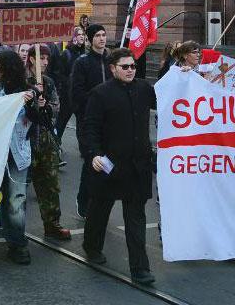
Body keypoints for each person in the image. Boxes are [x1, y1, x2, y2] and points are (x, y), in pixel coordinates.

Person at [81, 47, 156, 286]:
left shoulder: (144, 89)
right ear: (113, 68)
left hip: (138, 166)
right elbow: (89, 128)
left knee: (136, 217)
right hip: (109, 166)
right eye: (125, 66)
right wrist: (94, 154)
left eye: (133, 66)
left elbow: (170, 96)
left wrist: (184, 75)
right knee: (100, 210)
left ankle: (140, 268)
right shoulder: (100, 94)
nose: (130, 70)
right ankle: (92, 247)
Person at [0, 50, 40, 264]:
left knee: (16, 201)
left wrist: (34, 103)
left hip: (17, 154)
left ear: (10, 68)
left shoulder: (27, 92)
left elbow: (40, 120)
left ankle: (17, 243)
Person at [24, 44, 71, 241]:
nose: (45, 62)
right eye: (41, 58)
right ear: (32, 59)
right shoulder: (21, 81)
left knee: (50, 184)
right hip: (25, 141)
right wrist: (31, 100)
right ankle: (9, 223)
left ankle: (52, 224)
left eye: (47, 59)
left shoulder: (48, 82)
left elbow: (56, 107)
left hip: (45, 139)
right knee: (19, 186)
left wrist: (45, 107)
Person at [69, 24, 111, 218]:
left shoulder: (112, 61)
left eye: (104, 35)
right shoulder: (82, 62)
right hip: (88, 122)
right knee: (90, 161)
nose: (102, 39)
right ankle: (83, 199)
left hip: (109, 122)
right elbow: (76, 93)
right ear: (90, 39)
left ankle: (100, 200)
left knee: (106, 162)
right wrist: (95, 104)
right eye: (98, 35)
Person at [56, 27, 87, 139]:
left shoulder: (84, 54)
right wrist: (71, 82)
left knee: (82, 125)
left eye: (83, 34)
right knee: (61, 122)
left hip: (80, 96)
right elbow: (60, 74)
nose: (82, 36)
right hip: (67, 96)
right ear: (74, 37)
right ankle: (55, 144)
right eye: (79, 34)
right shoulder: (66, 53)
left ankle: (84, 150)